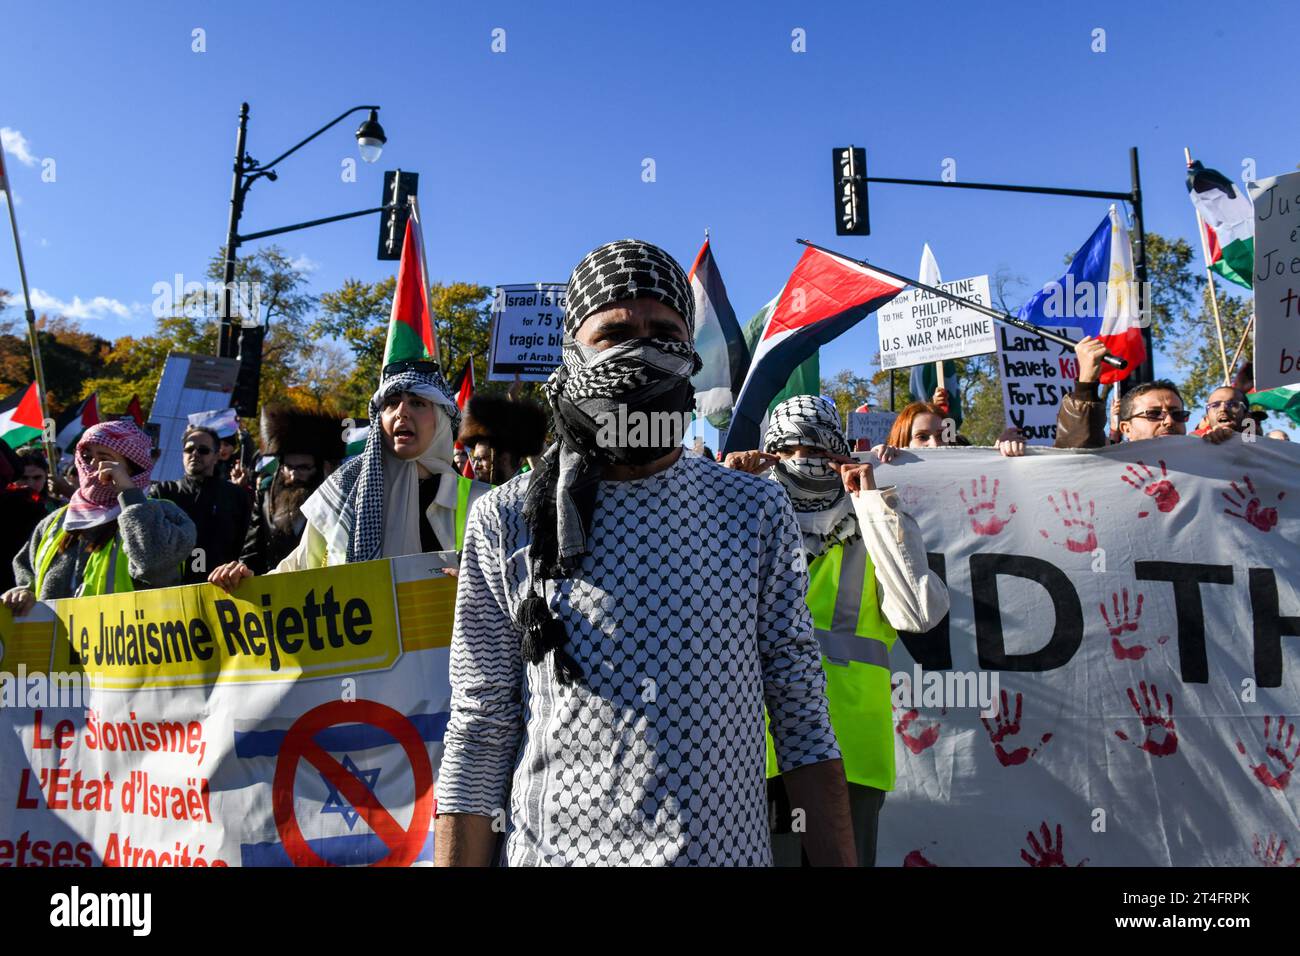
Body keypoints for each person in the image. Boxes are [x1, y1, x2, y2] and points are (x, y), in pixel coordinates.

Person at [435, 238, 853, 867]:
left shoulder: (755, 510)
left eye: (664, 331)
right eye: (613, 333)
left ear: (688, 351)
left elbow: (799, 707)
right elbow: (480, 727)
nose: (641, 349)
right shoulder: (505, 519)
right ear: (571, 351)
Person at [725, 395, 949, 866]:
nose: (800, 461)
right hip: (755, 751)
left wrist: (873, 504)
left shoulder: (875, 523)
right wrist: (726, 498)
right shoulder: (745, 518)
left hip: (851, 755)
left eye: (815, 449)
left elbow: (919, 612)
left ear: (839, 454)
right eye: (785, 452)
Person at [208, 362, 490, 589]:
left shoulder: (483, 502)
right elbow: (298, 570)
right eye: (391, 403)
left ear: (441, 419)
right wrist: (246, 584)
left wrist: (478, 588)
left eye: (417, 403)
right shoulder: (343, 490)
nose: (402, 412)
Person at [3, 420, 195, 613]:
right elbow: (27, 573)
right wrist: (24, 593)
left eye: (103, 458)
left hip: (125, 639)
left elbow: (154, 565)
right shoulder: (55, 521)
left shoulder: (165, 514)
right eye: (86, 457)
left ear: (131, 466)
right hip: (57, 641)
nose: (92, 465)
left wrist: (129, 495)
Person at [1054, 337, 1237, 447]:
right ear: (1126, 429)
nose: (1169, 421)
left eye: (1178, 414)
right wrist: (1086, 382)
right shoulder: (1114, 465)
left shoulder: (1205, 457)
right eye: (1153, 414)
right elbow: (1077, 450)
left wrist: (1229, 446)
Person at [237, 405, 345, 574]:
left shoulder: (335, 502)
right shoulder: (265, 497)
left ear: (318, 469)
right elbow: (251, 552)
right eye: (289, 467)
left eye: (303, 468)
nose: (294, 475)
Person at [150, 424, 252, 584]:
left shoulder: (235, 495)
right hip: (173, 591)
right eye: (189, 450)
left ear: (217, 455)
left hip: (223, 588)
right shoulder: (163, 492)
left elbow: (246, 544)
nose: (195, 454)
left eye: (203, 450)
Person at [873, 400, 1025, 458]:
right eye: (922, 437)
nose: (934, 444)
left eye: (941, 436)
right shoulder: (887, 470)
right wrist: (878, 462)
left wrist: (1000, 454)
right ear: (902, 440)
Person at [457, 394, 548, 485]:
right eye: (474, 459)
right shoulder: (474, 493)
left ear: (505, 458)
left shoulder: (533, 492)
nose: (475, 466)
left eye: (481, 458)